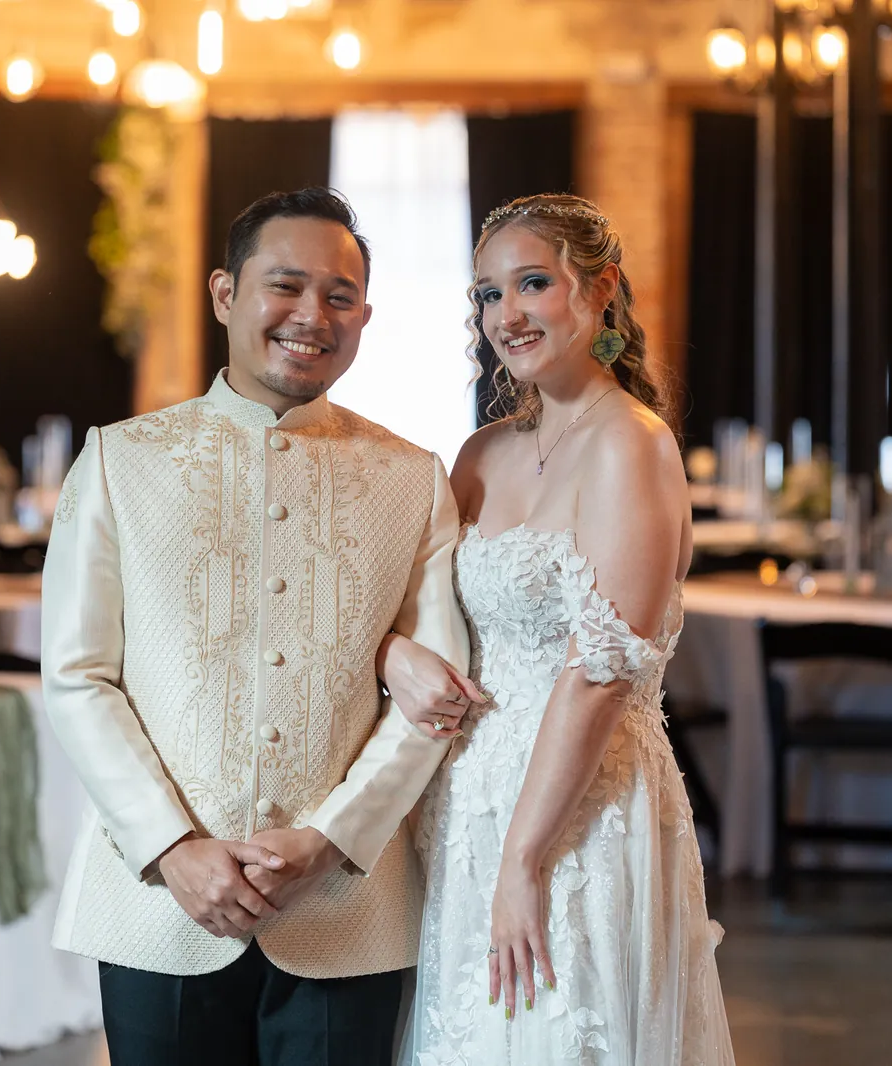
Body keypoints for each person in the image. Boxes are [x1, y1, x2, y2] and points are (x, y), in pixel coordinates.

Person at [41, 187, 472, 1066]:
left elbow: (433, 697)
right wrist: (171, 848)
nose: (312, 316)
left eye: (339, 298)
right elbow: (78, 676)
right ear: (225, 295)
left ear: (364, 318)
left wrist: (330, 841)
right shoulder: (120, 460)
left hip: (346, 909)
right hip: (159, 905)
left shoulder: (414, 478)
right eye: (285, 285)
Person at [382, 193, 737, 1064]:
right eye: (488, 295)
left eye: (532, 283)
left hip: (580, 820)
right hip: (464, 810)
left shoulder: (634, 445)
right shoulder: (481, 455)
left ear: (600, 288)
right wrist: (396, 656)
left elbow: (601, 671)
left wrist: (525, 860)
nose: (507, 314)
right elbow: (408, 612)